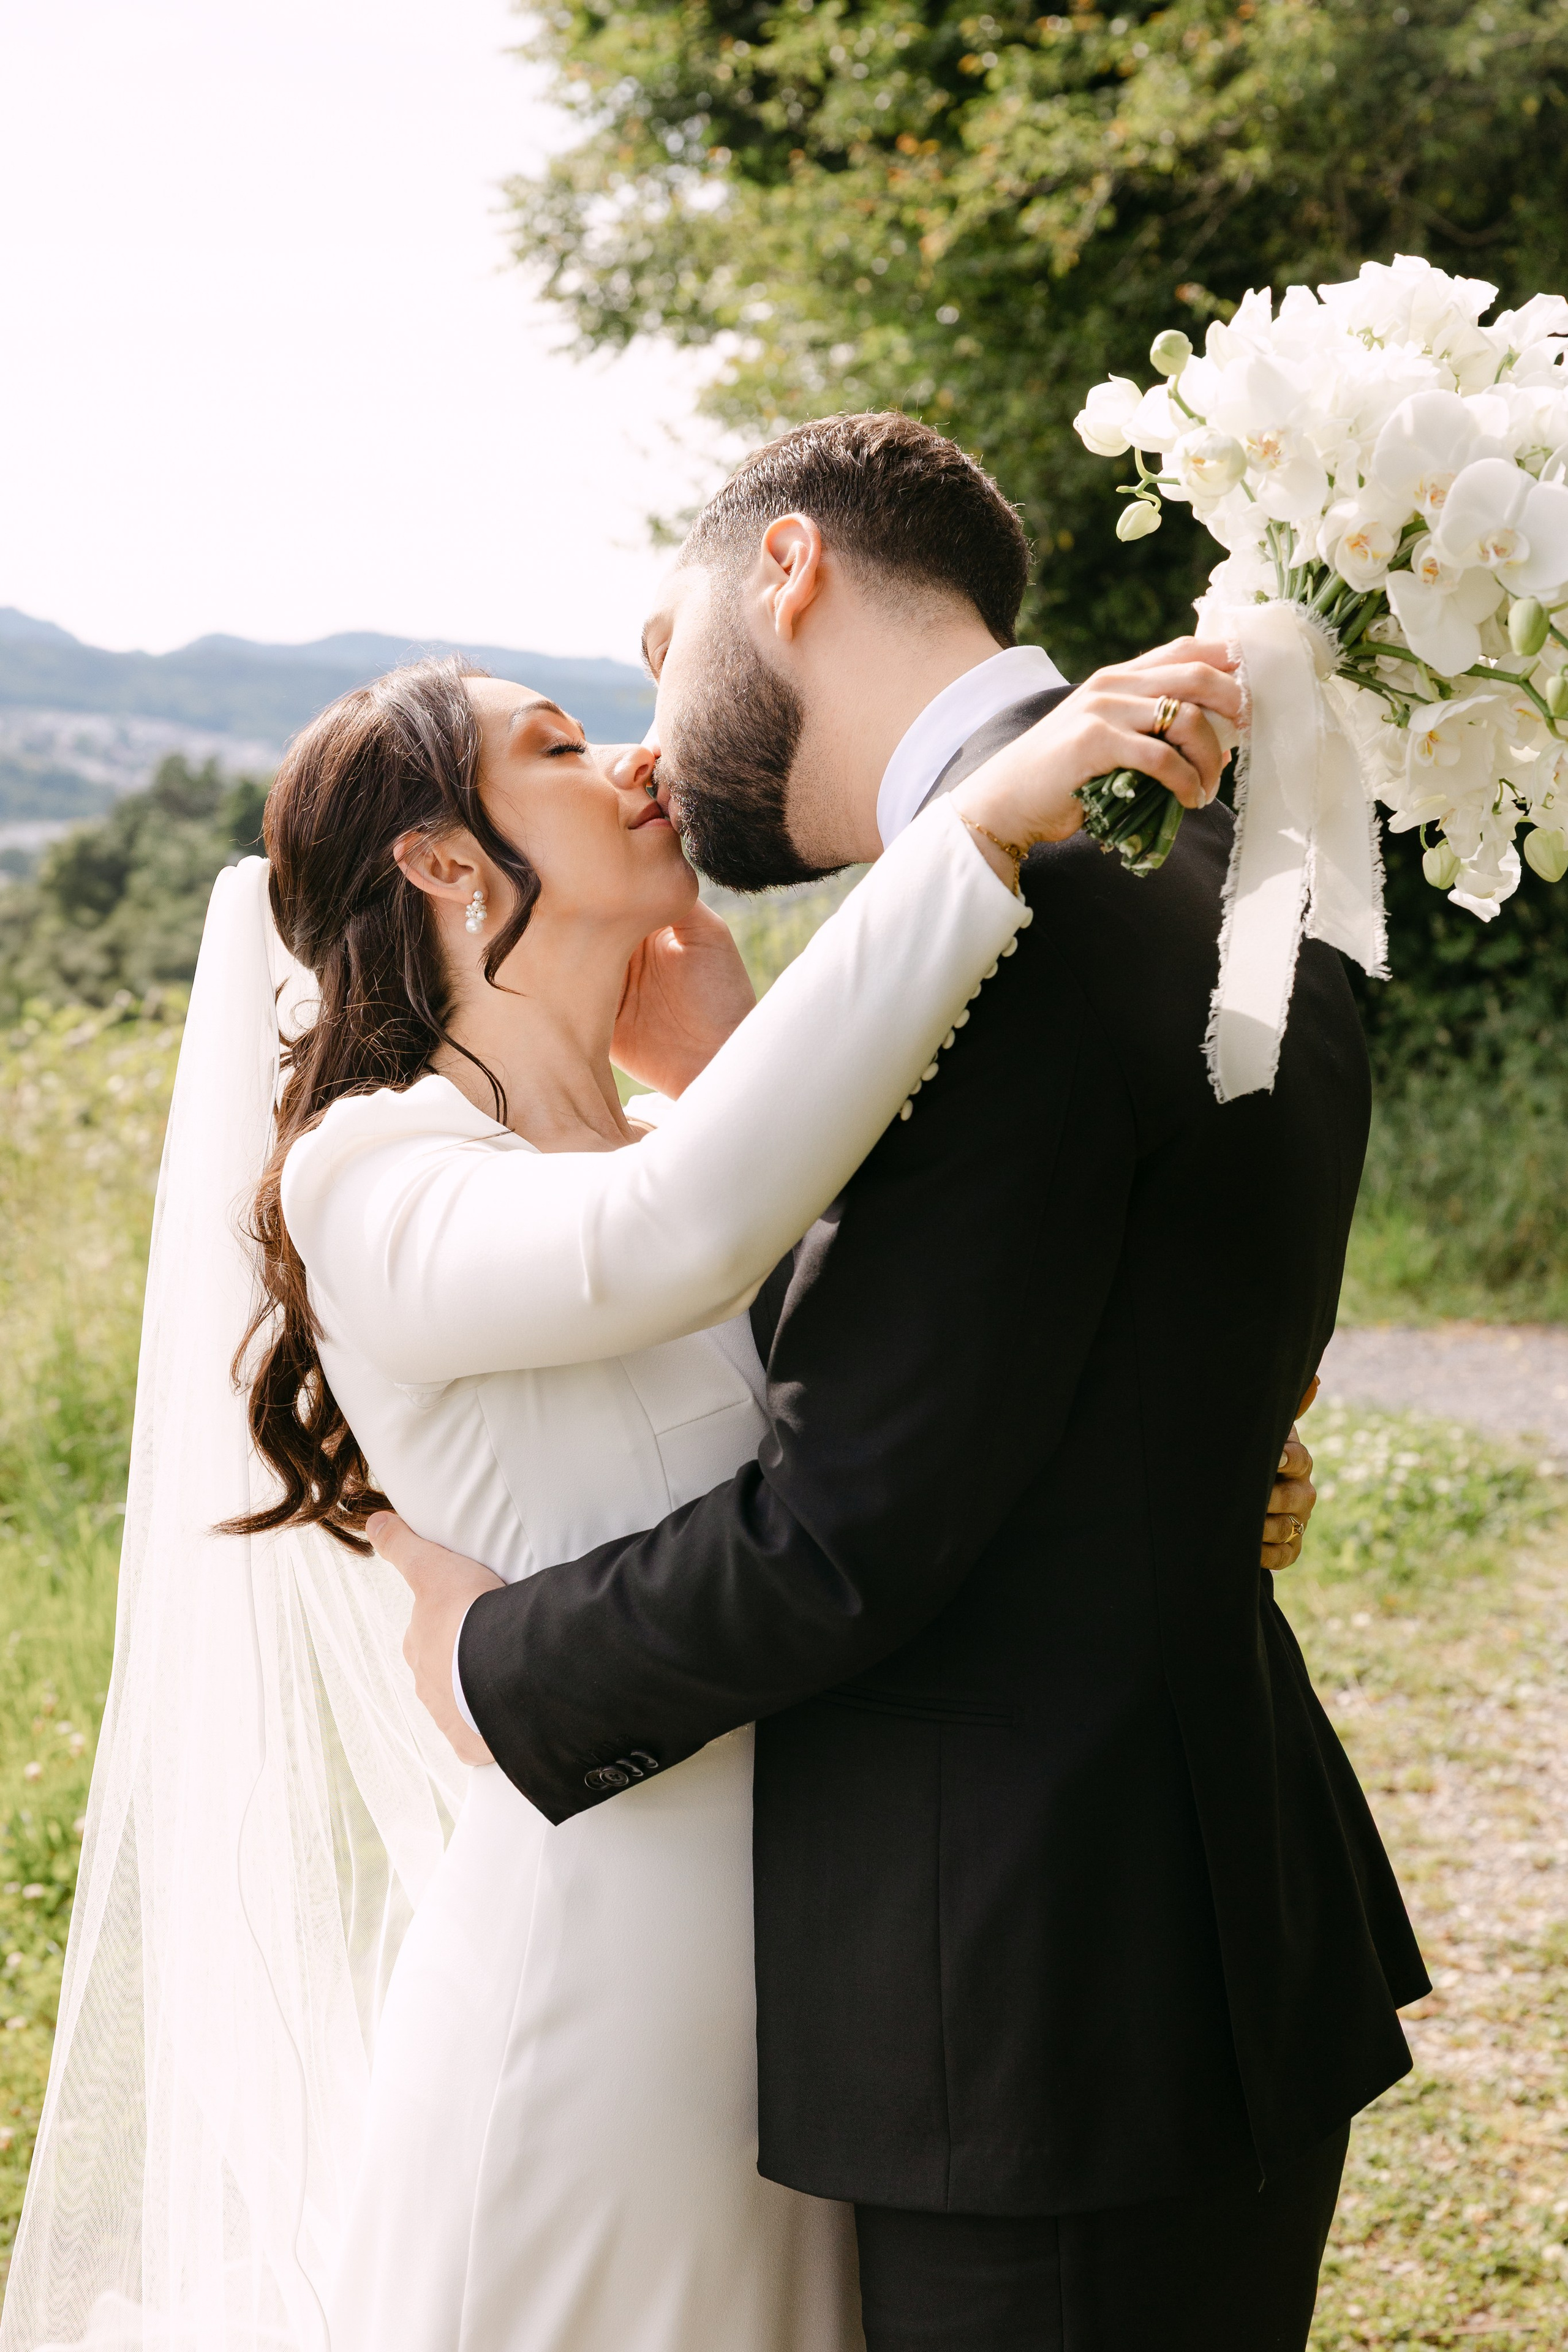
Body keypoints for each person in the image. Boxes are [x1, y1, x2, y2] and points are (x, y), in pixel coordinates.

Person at [0, 564, 1278, 2350]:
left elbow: (900, 1402)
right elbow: (671, 1240)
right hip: (603, 1999)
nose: (636, 763)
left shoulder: (678, 1128)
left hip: (834, 1975)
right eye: (559, 747)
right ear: (446, 864)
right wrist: (975, 831)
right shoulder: (370, 1175)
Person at [379, 412, 1429, 2352]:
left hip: (1037, 1998)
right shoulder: (1223, 854)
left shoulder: (1007, 950)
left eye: (653, 646)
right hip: (1187, 1919)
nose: (654, 735)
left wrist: (488, 1659)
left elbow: (843, 1538)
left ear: (787, 573)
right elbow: (1098, 1331)